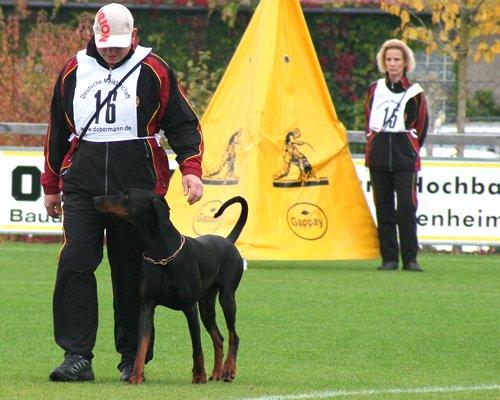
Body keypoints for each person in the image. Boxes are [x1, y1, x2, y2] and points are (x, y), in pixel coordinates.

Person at [41, 3, 204, 382]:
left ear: (134, 36)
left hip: (137, 190)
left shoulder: (155, 69)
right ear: (95, 37)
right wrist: (51, 184)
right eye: (105, 43)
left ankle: (133, 356)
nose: (111, 49)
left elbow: (183, 124)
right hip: (82, 186)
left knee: (132, 271)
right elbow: (56, 129)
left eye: (118, 43)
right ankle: (76, 356)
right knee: (75, 263)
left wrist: (191, 170)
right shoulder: (72, 70)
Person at [364, 39, 428, 272]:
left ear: (405, 63)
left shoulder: (415, 91)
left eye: (397, 60)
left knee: (407, 208)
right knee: (384, 208)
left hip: (404, 157)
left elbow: (421, 125)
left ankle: (410, 258)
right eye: (389, 59)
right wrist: (375, 143)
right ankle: (389, 258)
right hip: (379, 156)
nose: (392, 64)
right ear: (384, 62)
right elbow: (368, 119)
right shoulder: (374, 89)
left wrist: (410, 149)